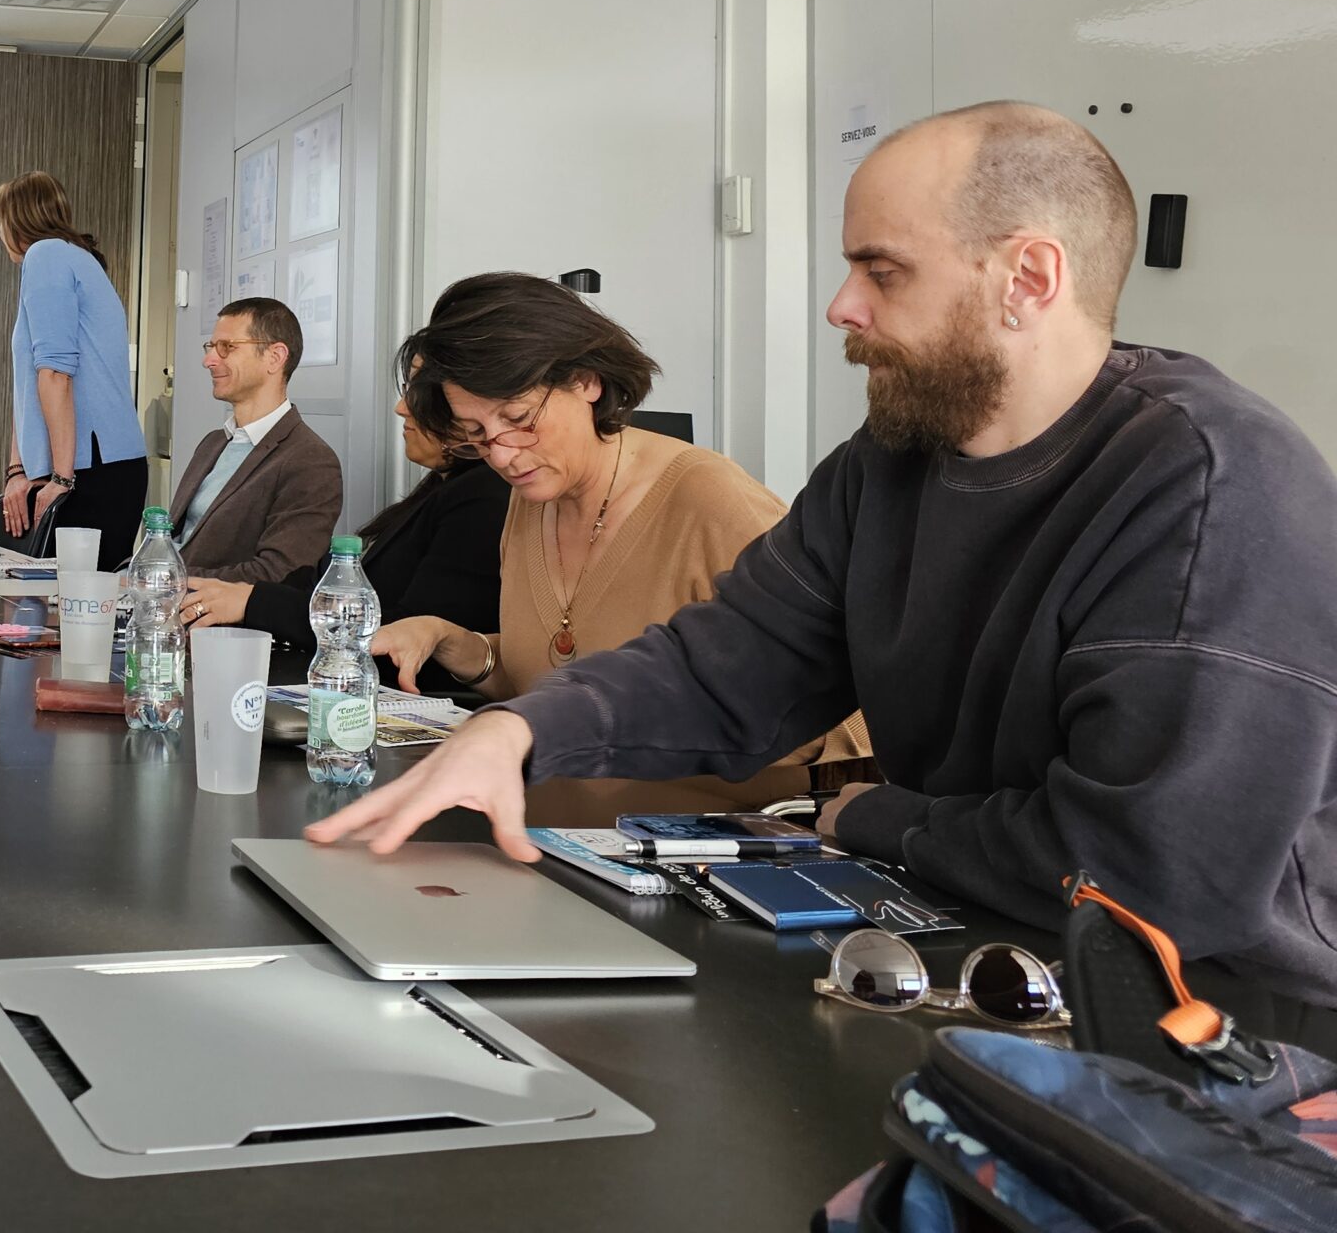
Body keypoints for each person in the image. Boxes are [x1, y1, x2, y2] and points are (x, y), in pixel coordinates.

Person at [309, 103, 1337, 1005]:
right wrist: (520, 733)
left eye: (881, 271)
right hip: (976, 947)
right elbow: (727, 665)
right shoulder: (884, 466)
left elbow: (1151, 872)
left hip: (1222, 1019)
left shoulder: (1210, 483)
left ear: (1027, 277)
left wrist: (876, 818)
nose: (843, 306)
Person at [352, 274, 869, 768]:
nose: (502, 454)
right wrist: (451, 639)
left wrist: (614, 726)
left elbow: (845, 719)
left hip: (691, 825)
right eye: (476, 433)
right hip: (554, 821)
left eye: (518, 419)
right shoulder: (532, 495)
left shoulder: (710, 500)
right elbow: (548, 676)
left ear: (586, 381)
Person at [228, 354, 510, 651]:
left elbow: (412, 638)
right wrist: (240, 596)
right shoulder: (440, 487)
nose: (401, 408)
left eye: (419, 392)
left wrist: (253, 602)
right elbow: (322, 579)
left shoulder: (482, 496)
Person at [0, 171, 146, 568]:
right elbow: (30, 385)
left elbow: (56, 374)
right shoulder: (71, 258)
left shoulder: (46, 256)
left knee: (72, 600)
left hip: (91, 469)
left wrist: (61, 478)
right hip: (90, 467)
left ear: (15, 221)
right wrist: (17, 469)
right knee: (53, 601)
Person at [169, 297, 344, 627]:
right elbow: (178, 542)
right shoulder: (213, 443)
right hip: (165, 614)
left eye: (227, 347)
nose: (209, 360)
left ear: (275, 357)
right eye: (211, 347)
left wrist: (163, 578)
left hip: (223, 632)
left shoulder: (310, 461)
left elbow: (278, 574)